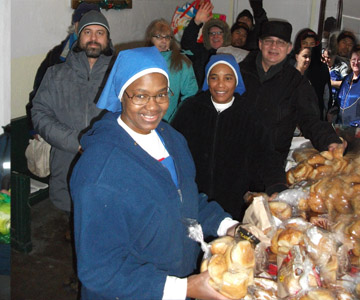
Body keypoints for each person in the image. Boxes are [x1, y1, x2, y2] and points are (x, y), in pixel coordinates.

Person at [70, 46, 238, 300]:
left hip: (178, 279)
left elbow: (185, 199)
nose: (153, 106)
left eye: (161, 94)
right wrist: (184, 288)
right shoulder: (99, 170)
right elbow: (99, 270)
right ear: (121, 95)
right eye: (140, 96)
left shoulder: (171, 138)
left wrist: (228, 226)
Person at [172, 54, 287, 220]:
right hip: (194, 199)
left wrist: (276, 184)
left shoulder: (250, 114)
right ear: (207, 80)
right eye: (214, 78)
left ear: (236, 81)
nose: (220, 84)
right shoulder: (190, 109)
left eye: (227, 78)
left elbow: (265, 154)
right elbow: (174, 149)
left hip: (234, 202)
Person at [31, 10, 114, 214]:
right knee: (71, 221)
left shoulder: (119, 75)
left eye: (100, 32)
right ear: (79, 36)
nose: (93, 38)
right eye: (88, 32)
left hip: (108, 166)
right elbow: (39, 114)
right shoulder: (55, 74)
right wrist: (75, 142)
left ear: (108, 38)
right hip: (66, 166)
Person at [240, 20, 344, 166]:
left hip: (270, 165)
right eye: (269, 41)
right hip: (235, 157)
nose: (274, 46)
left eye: (280, 43)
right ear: (260, 44)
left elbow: (310, 119)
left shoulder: (296, 83)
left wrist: (329, 140)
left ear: (289, 48)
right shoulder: (238, 73)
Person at [26, 2, 100, 138]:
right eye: (82, 22)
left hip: (97, 134)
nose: (87, 27)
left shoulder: (109, 60)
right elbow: (38, 96)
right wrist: (35, 129)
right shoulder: (56, 57)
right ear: (75, 24)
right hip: (60, 134)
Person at [144, 18, 198, 122]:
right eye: (159, 36)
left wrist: (177, 116)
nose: (163, 41)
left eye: (167, 37)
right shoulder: (141, 58)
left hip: (169, 120)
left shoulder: (181, 61)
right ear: (151, 38)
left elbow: (191, 94)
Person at [180, 1, 231, 86]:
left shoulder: (233, 53)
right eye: (212, 33)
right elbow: (187, 45)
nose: (215, 36)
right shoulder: (201, 52)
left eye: (219, 33)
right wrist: (196, 22)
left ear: (225, 35)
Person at [291, 28, 333, 120]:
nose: (308, 47)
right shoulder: (289, 66)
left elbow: (327, 96)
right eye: (305, 43)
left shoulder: (322, 68)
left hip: (314, 118)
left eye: (312, 44)